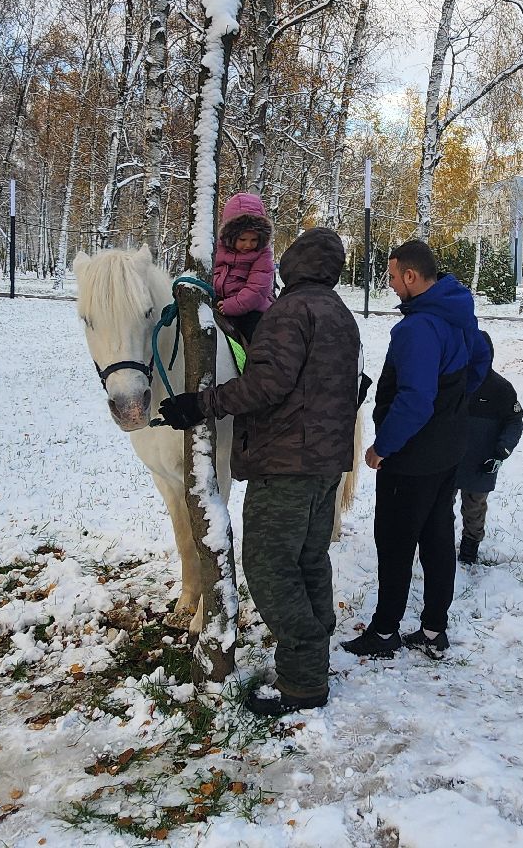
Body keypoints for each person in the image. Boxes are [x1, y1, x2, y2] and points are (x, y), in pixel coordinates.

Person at [156, 227, 361, 718]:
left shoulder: (290, 312)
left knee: (269, 566)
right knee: (309, 559)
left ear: (294, 263)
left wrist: (201, 404)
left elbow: (267, 383)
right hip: (326, 464)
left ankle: (302, 680)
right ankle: (314, 655)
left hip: (287, 464)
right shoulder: (340, 313)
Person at [342, 240, 490, 659]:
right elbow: (481, 359)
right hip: (448, 448)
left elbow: (416, 400)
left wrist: (383, 446)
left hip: (412, 457)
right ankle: (432, 631)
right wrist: (453, 405)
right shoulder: (457, 310)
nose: (390, 284)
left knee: (394, 543)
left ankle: (384, 633)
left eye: (392, 276)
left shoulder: (418, 328)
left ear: (410, 275)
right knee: (438, 535)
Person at [454, 335, 523, 564]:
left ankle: (470, 548)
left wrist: (502, 451)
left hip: (481, 462)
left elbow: (514, 421)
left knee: (474, 508)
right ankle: (439, 542)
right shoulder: (451, 382)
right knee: (441, 505)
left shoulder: (500, 388)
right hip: (448, 457)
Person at [213, 193, 276, 343]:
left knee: (258, 338)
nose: (248, 245)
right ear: (230, 236)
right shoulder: (217, 249)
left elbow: (257, 289)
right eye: (242, 239)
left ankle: (258, 357)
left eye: (254, 240)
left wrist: (233, 305)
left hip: (252, 308)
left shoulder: (263, 254)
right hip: (219, 301)